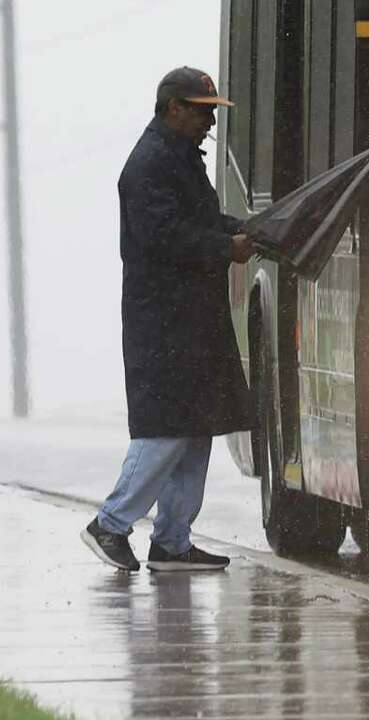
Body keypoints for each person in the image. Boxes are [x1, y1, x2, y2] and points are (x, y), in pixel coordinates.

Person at [82, 67, 255, 573]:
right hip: (162, 323)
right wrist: (227, 247)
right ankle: (110, 525)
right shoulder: (147, 167)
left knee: (195, 427)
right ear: (172, 108)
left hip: (193, 318)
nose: (208, 122)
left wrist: (243, 230)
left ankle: (172, 542)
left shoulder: (178, 160)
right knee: (164, 430)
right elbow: (167, 239)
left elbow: (196, 223)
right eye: (202, 111)